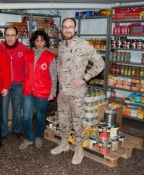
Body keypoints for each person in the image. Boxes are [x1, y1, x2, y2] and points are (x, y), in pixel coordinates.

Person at [50, 17, 105, 165]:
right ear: (62, 29)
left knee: (77, 121)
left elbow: (100, 63)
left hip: (76, 92)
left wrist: (85, 77)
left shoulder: (84, 45)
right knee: (62, 118)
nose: (67, 30)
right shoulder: (61, 46)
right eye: (65, 27)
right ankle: (64, 143)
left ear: (75, 29)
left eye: (70, 27)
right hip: (63, 92)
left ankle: (79, 148)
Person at [19, 30, 57, 149]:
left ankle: (38, 136)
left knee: (40, 116)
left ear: (45, 41)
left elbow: (54, 76)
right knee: (26, 116)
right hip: (28, 90)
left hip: (43, 91)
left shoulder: (50, 56)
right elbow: (24, 72)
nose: (39, 43)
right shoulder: (27, 54)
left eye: (42, 40)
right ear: (33, 41)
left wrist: (52, 92)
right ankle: (28, 138)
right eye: (37, 40)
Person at [0, 27, 29, 139]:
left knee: (16, 109)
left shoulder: (24, 49)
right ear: (4, 36)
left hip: (18, 85)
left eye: (12, 35)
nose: (10, 38)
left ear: (17, 36)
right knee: (3, 109)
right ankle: (3, 131)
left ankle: (16, 129)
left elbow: (28, 67)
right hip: (3, 85)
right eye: (7, 35)